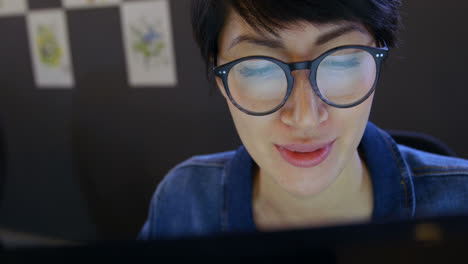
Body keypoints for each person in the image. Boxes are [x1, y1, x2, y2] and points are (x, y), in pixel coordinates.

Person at [138, 0, 468, 239]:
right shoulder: (183, 202)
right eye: (259, 68)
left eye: (341, 61)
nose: (305, 118)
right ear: (220, 77)